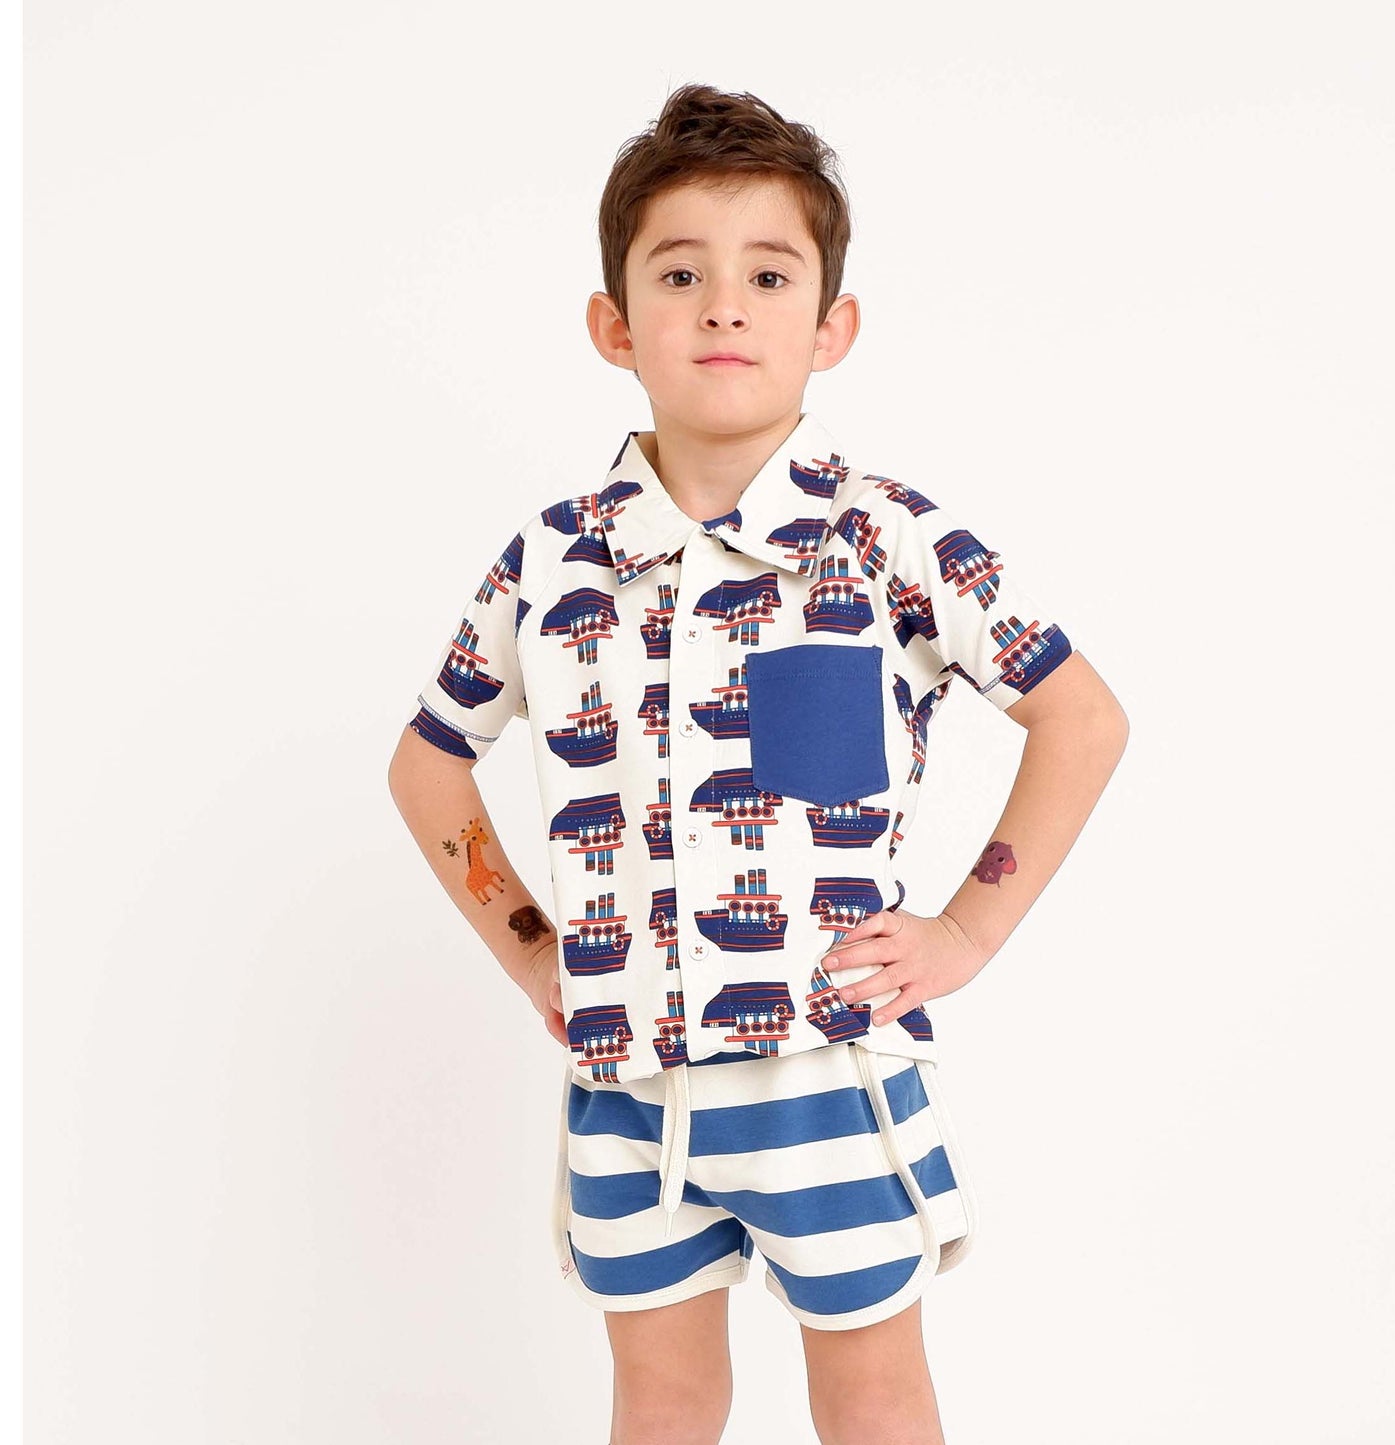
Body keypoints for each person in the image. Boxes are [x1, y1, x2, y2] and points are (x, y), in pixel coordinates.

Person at [388, 82, 1129, 1445]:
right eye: (680, 274)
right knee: (662, 1399)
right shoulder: (550, 561)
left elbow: (1081, 717)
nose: (724, 306)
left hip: (825, 1068)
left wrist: (967, 929)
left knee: (874, 1394)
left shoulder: (890, 539)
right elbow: (428, 763)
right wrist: (533, 949)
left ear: (829, 326)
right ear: (616, 325)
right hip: (624, 1084)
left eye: (768, 275)